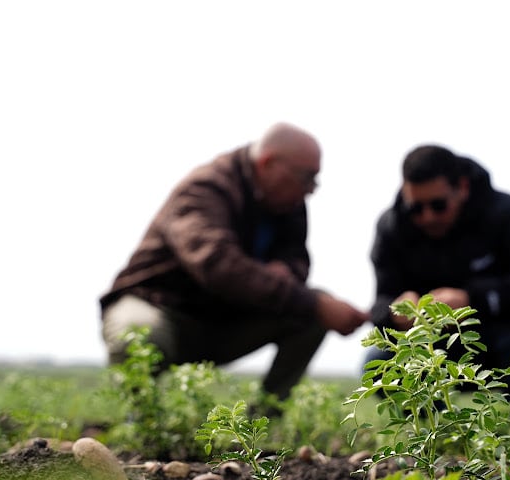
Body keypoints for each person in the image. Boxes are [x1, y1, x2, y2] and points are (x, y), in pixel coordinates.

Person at [100, 122, 369, 401]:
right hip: (161, 307)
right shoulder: (206, 188)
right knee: (138, 333)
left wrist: (287, 271)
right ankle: (143, 422)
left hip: (223, 321)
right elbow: (217, 266)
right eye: (307, 177)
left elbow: (297, 259)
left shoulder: (288, 202)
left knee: (314, 312)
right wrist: (308, 300)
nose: (311, 188)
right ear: (268, 163)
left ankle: (259, 428)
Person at [364, 144, 510, 401]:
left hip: (496, 337)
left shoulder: (504, 212)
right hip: (429, 349)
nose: (427, 217)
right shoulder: (392, 227)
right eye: (415, 208)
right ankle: (431, 436)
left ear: (463, 188)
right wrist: (396, 312)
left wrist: (471, 299)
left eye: (438, 205)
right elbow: (380, 302)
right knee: (376, 365)